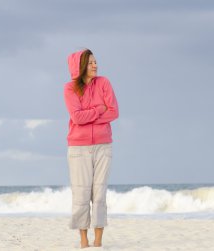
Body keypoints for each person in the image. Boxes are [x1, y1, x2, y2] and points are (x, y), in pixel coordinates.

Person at [63, 48, 119, 248]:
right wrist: (98, 109)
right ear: (80, 66)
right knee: (81, 194)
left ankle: (98, 242)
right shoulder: (70, 89)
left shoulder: (104, 83)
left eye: (95, 61)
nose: (95, 65)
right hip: (78, 148)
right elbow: (76, 117)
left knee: (99, 194)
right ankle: (83, 241)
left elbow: (114, 112)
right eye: (90, 62)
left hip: (103, 146)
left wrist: (89, 115)